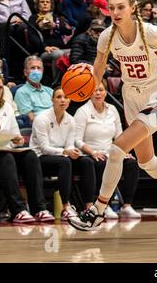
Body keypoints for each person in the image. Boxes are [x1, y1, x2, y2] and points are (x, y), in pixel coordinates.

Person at [67, 0, 157, 231]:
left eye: (120, 7)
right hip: (131, 95)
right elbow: (97, 71)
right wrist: (85, 86)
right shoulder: (106, 37)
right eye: (112, 8)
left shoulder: (150, 32)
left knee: (117, 150)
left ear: (132, 9)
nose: (115, 12)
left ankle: (97, 211)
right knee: (146, 161)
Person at [0, 71, 54, 223]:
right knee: (6, 158)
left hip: (4, 151)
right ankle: (18, 210)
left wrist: (18, 140)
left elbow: (14, 135)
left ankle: (39, 209)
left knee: (30, 157)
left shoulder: (6, 107)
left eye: (0, 88)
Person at [74, 81, 141, 219]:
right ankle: (105, 205)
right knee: (102, 163)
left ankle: (126, 205)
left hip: (111, 152)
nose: (98, 93)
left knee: (132, 164)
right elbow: (77, 140)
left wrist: (125, 151)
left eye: (101, 90)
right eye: (94, 90)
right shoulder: (82, 111)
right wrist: (93, 152)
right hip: (91, 153)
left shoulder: (112, 109)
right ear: (89, 93)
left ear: (105, 92)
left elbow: (119, 135)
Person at [30, 87, 96, 220]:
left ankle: (89, 205)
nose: (62, 100)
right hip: (40, 158)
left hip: (62, 157)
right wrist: (65, 152)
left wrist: (73, 151)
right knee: (65, 162)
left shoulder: (71, 120)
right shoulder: (41, 118)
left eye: (65, 97)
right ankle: (66, 206)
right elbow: (44, 148)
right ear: (52, 100)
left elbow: (70, 144)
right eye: (59, 97)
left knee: (86, 161)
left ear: (69, 100)